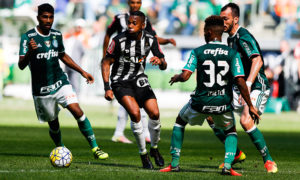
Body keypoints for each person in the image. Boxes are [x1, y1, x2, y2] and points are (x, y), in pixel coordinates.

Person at [160, 15, 260, 176]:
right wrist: (250, 105)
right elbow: (240, 81)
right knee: (231, 131)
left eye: (204, 31)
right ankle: (227, 165)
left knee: (180, 122)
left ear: (208, 32)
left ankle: (174, 163)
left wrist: (177, 77)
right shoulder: (232, 53)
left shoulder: (198, 51)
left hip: (200, 102)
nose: (203, 34)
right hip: (222, 103)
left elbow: (185, 76)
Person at [18, 3, 108, 160]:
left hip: (60, 82)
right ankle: (60, 147)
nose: (48, 20)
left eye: (51, 17)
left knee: (77, 111)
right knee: (53, 123)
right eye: (44, 17)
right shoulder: (28, 37)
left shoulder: (56, 35)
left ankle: (95, 148)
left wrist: (82, 72)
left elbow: (63, 55)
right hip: (42, 89)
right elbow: (21, 65)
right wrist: (30, 53)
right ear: (38, 17)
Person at [207, 2, 278, 173]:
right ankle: (237, 153)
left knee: (245, 120)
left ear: (235, 19)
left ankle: (268, 160)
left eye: (226, 19)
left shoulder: (243, 36)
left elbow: (257, 60)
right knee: (210, 115)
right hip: (239, 88)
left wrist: (246, 84)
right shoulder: (230, 39)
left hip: (256, 86)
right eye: (220, 19)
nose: (222, 22)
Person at [102, 0, 176, 144]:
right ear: (128, 3)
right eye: (133, 2)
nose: (135, 5)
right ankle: (131, 135)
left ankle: (125, 133)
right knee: (132, 107)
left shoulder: (145, 21)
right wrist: (105, 54)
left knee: (137, 107)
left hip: (137, 71)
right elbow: (107, 34)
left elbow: (152, 37)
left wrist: (165, 42)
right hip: (120, 68)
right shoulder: (119, 20)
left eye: (138, 2)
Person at [101, 11, 166, 169]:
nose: (129, 26)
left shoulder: (150, 39)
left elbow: (164, 64)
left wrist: (160, 61)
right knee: (135, 114)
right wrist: (107, 87)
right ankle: (143, 154)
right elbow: (105, 62)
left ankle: (155, 149)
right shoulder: (118, 40)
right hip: (120, 81)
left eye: (134, 23)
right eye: (129, 22)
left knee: (155, 113)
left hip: (139, 79)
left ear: (143, 25)